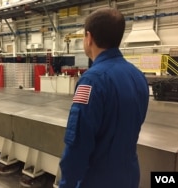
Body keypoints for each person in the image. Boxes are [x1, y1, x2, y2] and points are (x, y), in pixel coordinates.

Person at [59, 7, 149, 188]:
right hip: (129, 177)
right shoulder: (138, 76)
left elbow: (78, 145)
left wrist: (67, 184)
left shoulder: (92, 80)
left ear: (89, 37)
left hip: (98, 180)